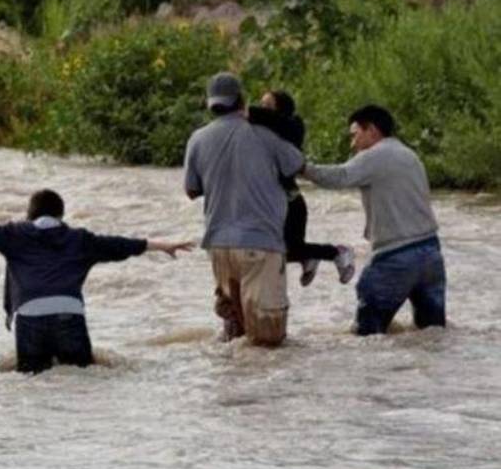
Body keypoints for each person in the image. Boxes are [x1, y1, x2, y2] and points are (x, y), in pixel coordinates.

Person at [0, 189, 192, 374]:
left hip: (30, 315)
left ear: (30, 214)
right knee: (80, 377)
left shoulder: (14, 234)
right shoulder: (80, 239)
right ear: (60, 215)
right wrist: (162, 246)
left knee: (32, 382)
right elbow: (120, 245)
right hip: (69, 314)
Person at [183, 72, 306, 346]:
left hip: (218, 247)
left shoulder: (197, 139)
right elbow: (297, 164)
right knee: (267, 344)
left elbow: (191, 190)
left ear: (210, 104)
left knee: (233, 336)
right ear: (242, 99)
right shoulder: (266, 136)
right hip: (260, 246)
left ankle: (233, 390)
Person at [303, 105, 445, 335]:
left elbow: (339, 177)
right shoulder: (410, 155)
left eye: (355, 134)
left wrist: (301, 168)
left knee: (366, 336)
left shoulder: (375, 156)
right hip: (431, 255)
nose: (353, 144)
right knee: (432, 332)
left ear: (372, 130)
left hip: (396, 257)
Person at [248, 90, 355, 287]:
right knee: (272, 252)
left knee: (280, 251)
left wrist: (242, 112)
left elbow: (266, 118)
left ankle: (337, 252)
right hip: (280, 203)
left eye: (267, 106)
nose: (261, 110)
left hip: (291, 203)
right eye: (260, 104)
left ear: (281, 110)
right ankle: (309, 257)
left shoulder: (291, 127)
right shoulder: (265, 131)